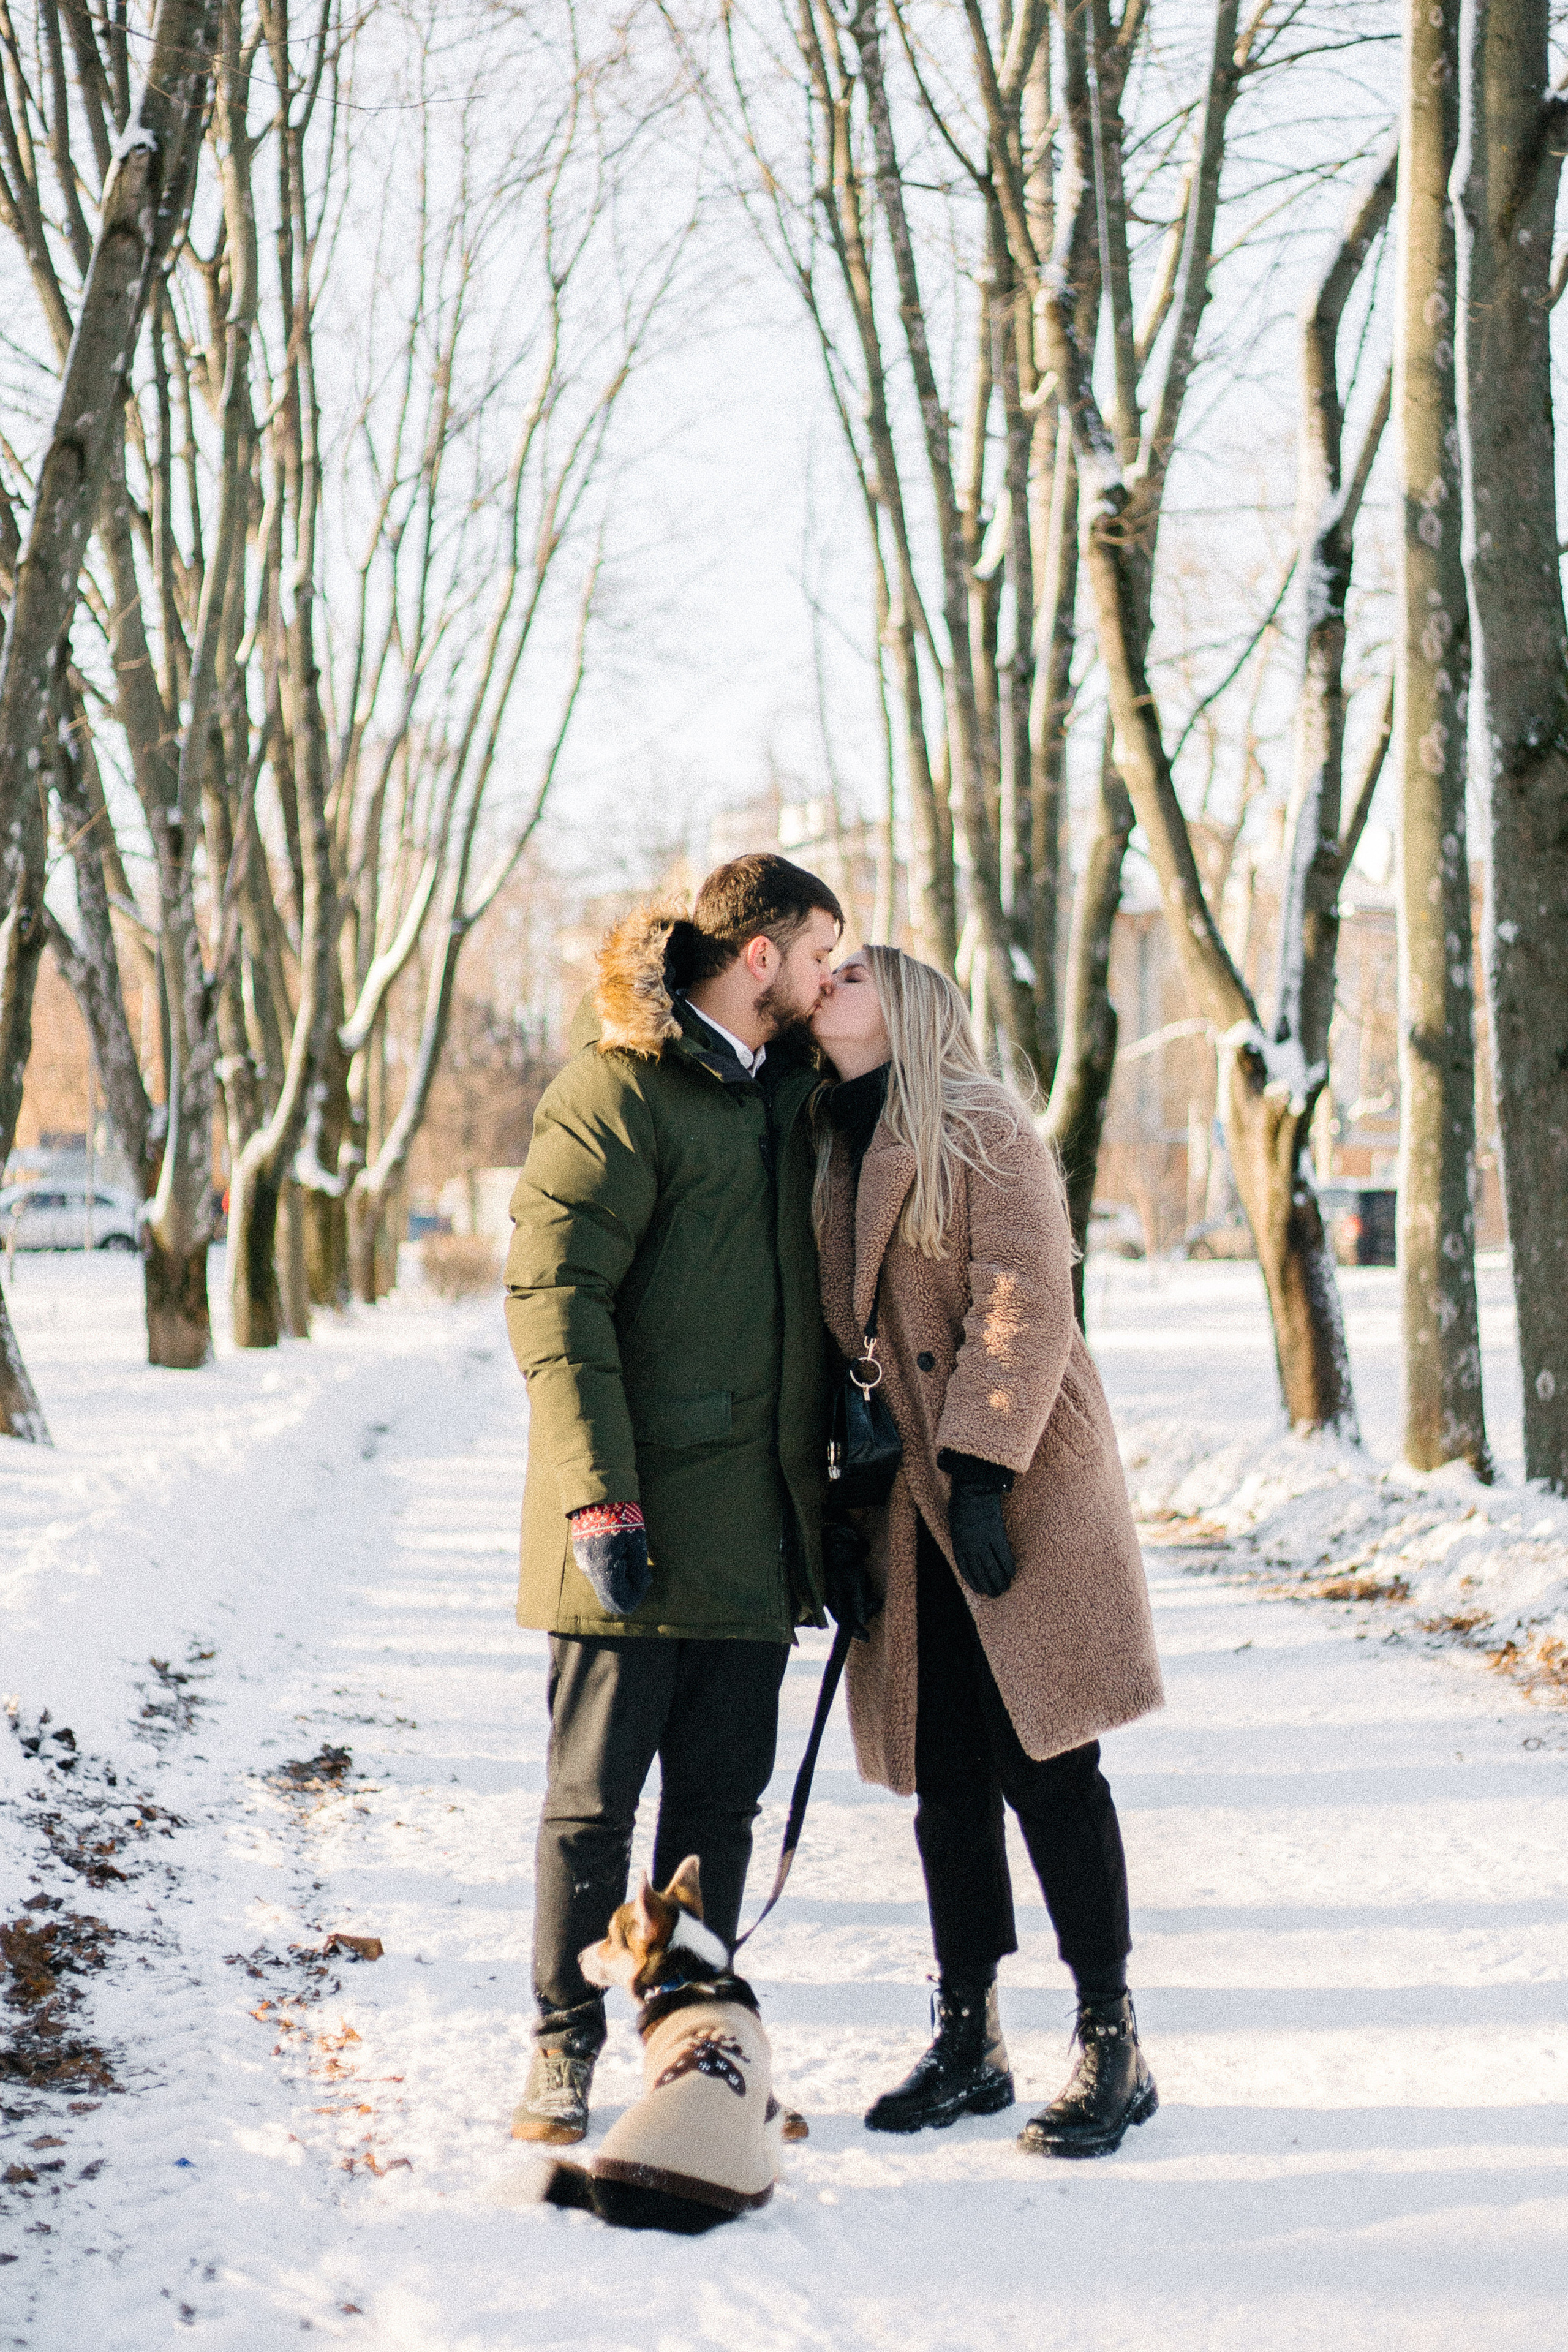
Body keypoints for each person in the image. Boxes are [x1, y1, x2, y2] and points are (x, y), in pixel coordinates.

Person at [502, 853, 844, 2145]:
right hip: (631, 1521)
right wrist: (597, 1501)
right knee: (593, 1808)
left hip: (756, 1527)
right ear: (758, 955)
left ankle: (690, 2043)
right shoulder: (617, 1088)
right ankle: (558, 2047)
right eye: (820, 949)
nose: (829, 976)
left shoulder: (791, 1092)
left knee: (716, 1811)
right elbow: (552, 1297)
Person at [809, 945, 1165, 2157]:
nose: (826, 983)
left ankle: (1110, 2037)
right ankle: (969, 2035)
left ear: (907, 1007)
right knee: (945, 1779)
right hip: (901, 1503)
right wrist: (839, 1511)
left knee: (1049, 1763)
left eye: (850, 972)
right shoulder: (827, 1147)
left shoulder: (979, 1123)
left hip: (1006, 1478)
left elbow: (1025, 1297)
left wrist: (976, 1475)